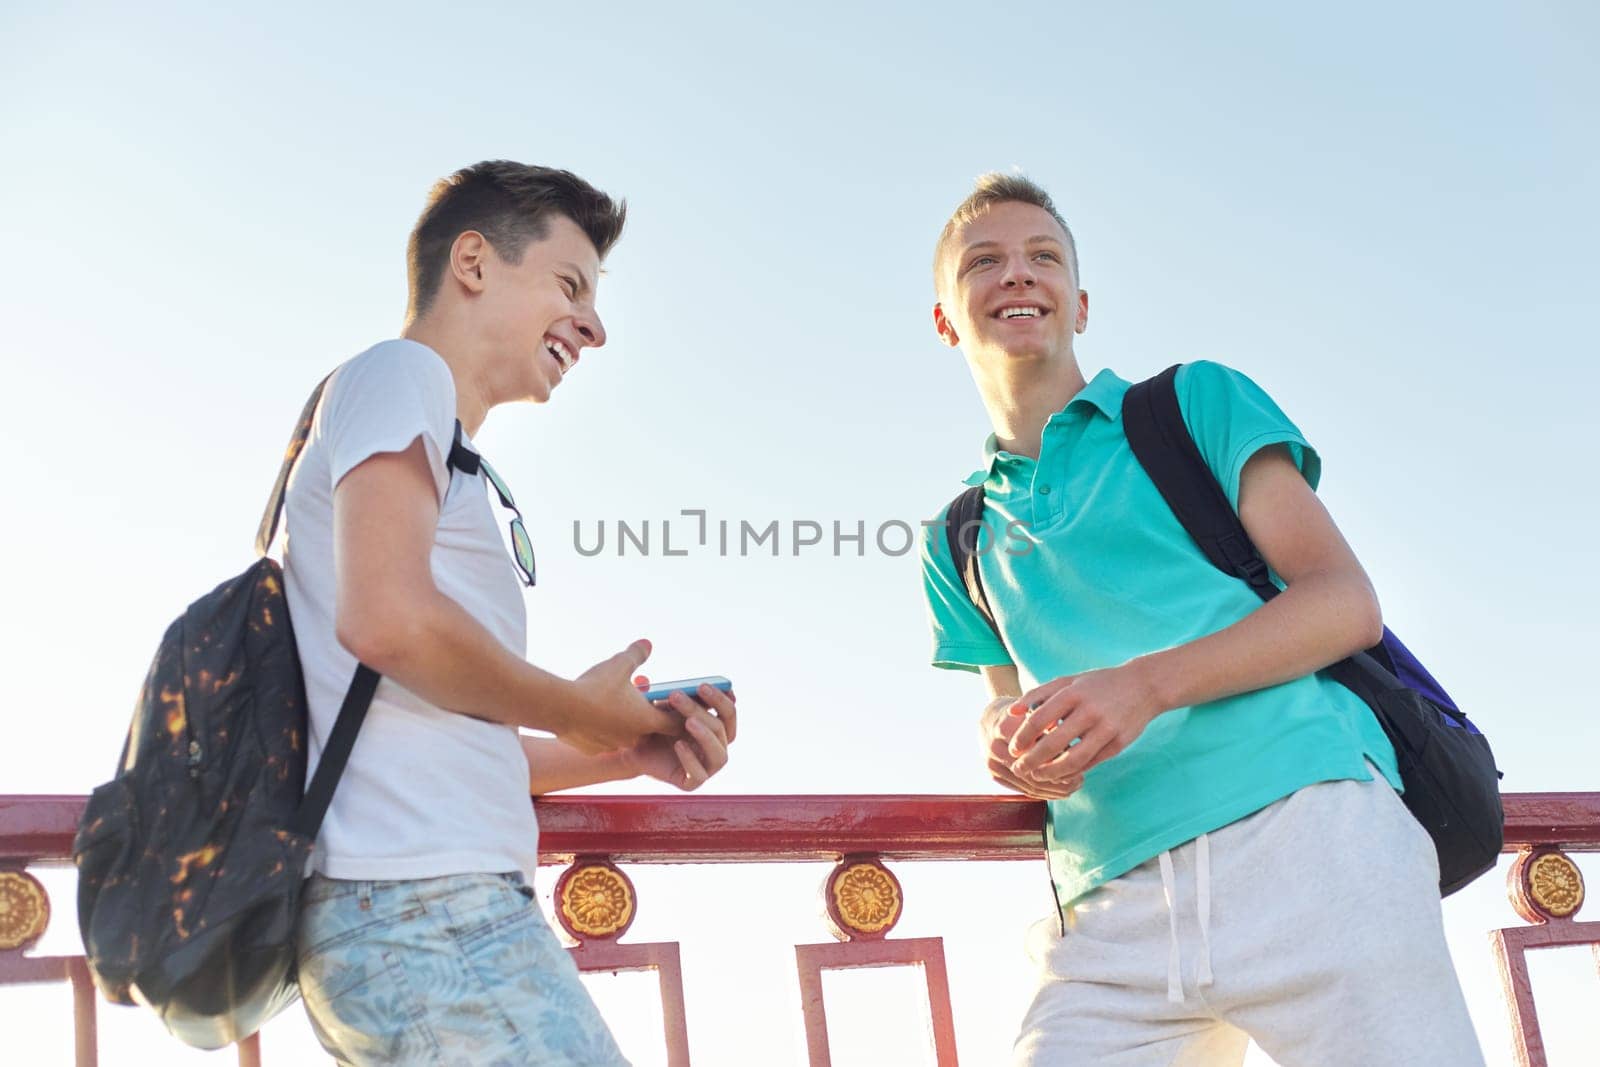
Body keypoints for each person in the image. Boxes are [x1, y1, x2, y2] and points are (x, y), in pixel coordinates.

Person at [918, 173, 1481, 1066]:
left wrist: (1145, 685)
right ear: (947, 317)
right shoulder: (958, 535)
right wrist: (1003, 740)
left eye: (1044, 257)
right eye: (984, 261)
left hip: (1312, 836)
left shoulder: (1193, 404)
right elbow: (998, 698)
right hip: (1110, 905)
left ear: (1081, 302)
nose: (1017, 275)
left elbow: (1344, 602)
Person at [283, 160, 738, 1065]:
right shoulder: (400, 372)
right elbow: (386, 620)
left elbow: (428, 733)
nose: (596, 325)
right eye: (570, 284)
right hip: (423, 910)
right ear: (474, 262)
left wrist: (619, 749)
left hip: (417, 911)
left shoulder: (431, 436)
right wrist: (576, 704)